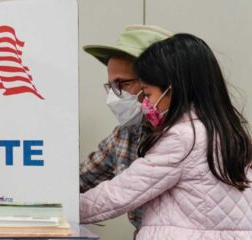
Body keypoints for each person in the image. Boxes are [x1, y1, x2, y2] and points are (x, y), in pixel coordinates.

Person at [80, 33, 252, 239]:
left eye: (148, 93)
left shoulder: (182, 138)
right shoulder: (227, 132)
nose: (146, 103)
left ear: (172, 87)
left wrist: (61, 211)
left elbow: (118, 195)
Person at [79, 24, 171, 235]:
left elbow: (119, 195)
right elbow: (82, 180)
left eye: (122, 84)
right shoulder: (125, 134)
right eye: (111, 86)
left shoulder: (187, 134)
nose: (114, 96)